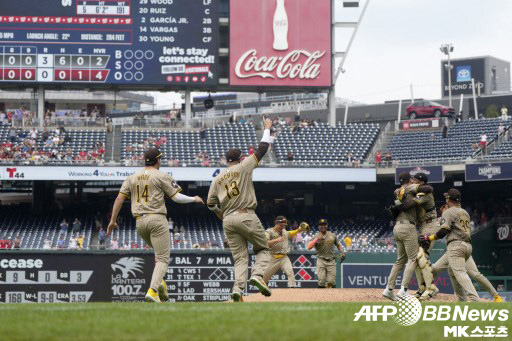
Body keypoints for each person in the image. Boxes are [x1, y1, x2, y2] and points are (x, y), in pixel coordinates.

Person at [107, 147, 204, 303]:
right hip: (156, 219)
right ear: (158, 160)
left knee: (158, 256)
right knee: (163, 259)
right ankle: (152, 291)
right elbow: (177, 197)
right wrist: (194, 199)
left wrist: (112, 220)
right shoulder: (161, 175)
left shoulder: (132, 177)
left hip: (139, 222)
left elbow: (119, 199)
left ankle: (161, 284)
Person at [206, 117, 273, 302]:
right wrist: (267, 128)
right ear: (240, 158)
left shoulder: (216, 179)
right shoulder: (243, 167)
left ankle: (237, 289)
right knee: (263, 249)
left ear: (227, 160)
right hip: (245, 214)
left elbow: (210, 203)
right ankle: (258, 276)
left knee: (241, 258)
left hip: (227, 219)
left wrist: (220, 214)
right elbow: (262, 149)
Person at [420, 189, 480, 302]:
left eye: (447, 197)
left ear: (449, 199)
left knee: (459, 272)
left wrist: (430, 237)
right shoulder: (464, 212)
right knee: (442, 270)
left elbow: (443, 231)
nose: (446, 199)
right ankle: (461, 300)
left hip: (456, 245)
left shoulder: (449, 212)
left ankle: (474, 299)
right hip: (465, 245)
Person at [383, 172, 433, 301]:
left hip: (397, 228)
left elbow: (400, 204)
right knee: (413, 259)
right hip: (408, 227)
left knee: (400, 260)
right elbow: (428, 188)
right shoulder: (409, 187)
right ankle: (403, 290)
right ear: (409, 180)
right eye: (411, 179)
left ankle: (389, 289)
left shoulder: (396, 191)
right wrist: (415, 187)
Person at [262, 216, 309, 288]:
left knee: (290, 272)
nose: (282, 227)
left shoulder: (284, 232)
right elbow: (265, 243)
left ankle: (292, 289)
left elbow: (291, 233)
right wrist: (276, 240)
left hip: (284, 257)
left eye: (284, 225)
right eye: (281, 225)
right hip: (273, 257)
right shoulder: (269, 231)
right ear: (276, 223)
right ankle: (262, 290)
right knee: (265, 277)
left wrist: (300, 229)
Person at [307, 219, 345, 288]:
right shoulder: (316, 236)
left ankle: (331, 296)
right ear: (318, 226)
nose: (323, 226)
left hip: (331, 261)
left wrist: (342, 252)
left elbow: (338, 245)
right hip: (321, 260)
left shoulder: (332, 235)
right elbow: (309, 247)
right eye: (321, 225)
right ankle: (321, 297)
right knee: (321, 281)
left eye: (324, 225)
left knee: (331, 282)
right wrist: (316, 239)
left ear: (327, 225)